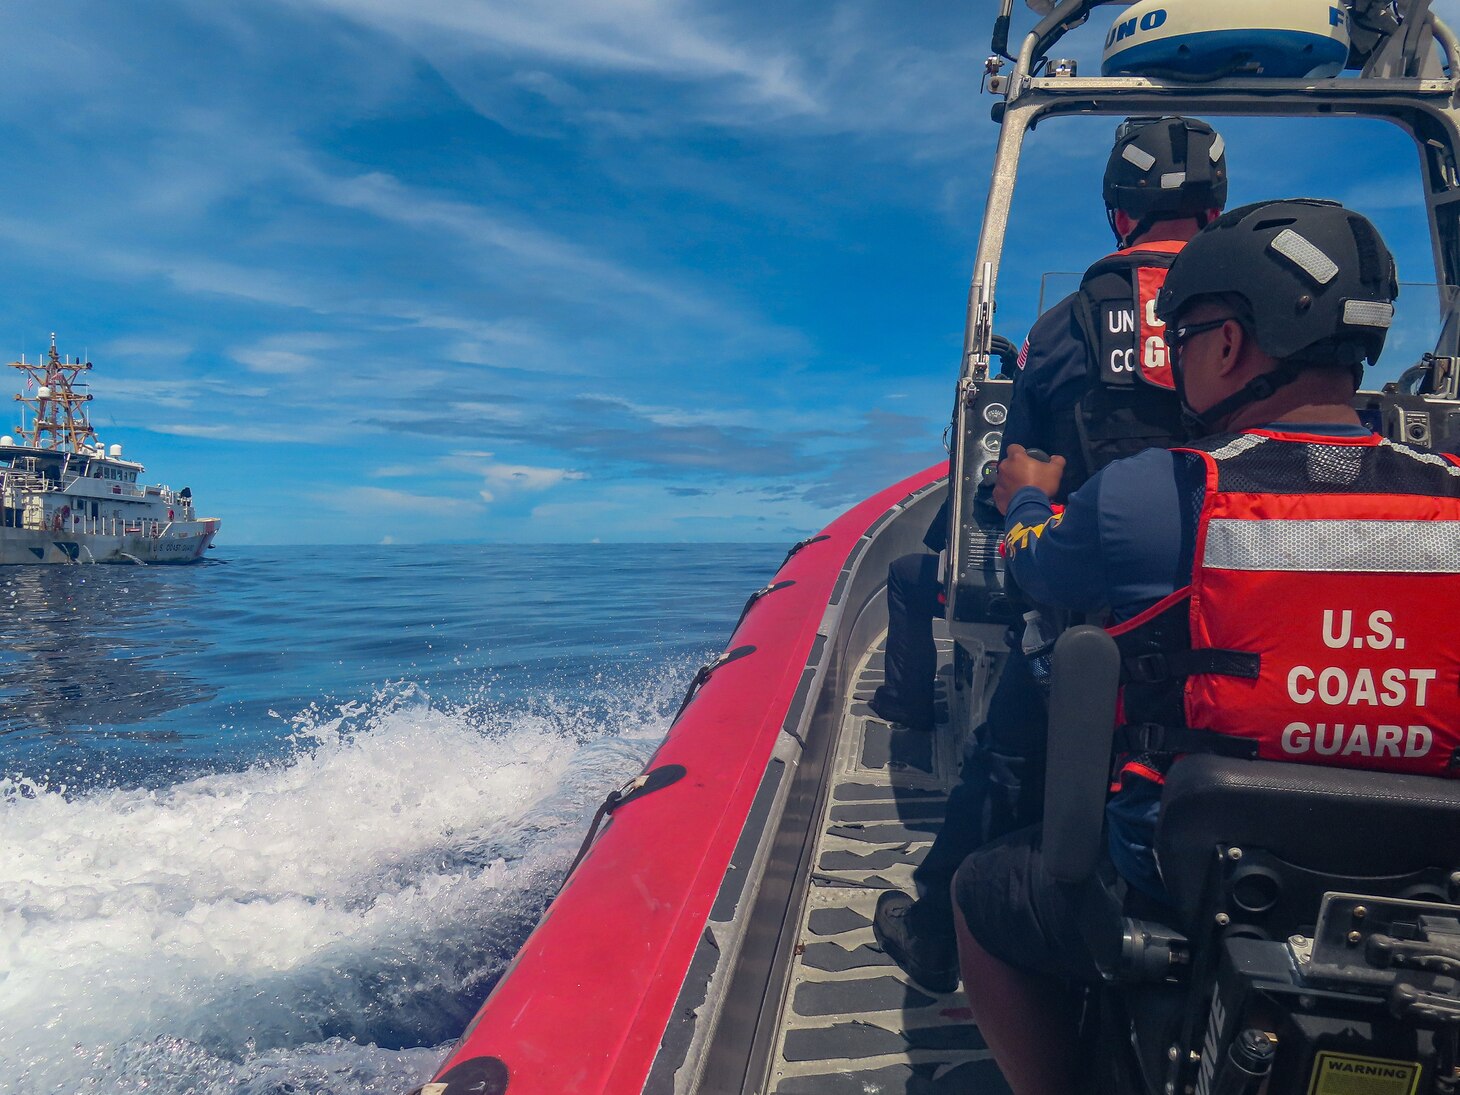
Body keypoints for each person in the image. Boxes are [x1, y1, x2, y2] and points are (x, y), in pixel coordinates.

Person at [957, 198, 1460, 1095]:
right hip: (1421, 884)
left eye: (1185, 333)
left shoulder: (1149, 494)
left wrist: (1026, 500)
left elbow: (1034, 573)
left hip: (1183, 872)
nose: (1177, 355)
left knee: (981, 897)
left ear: (1228, 345)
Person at [872, 115, 1228, 994]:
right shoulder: (1249, 324)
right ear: (1217, 211)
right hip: (1236, 614)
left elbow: (1017, 467)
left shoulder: (1068, 326)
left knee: (1006, 750)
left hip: (1094, 617)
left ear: (1118, 213)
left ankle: (936, 934)